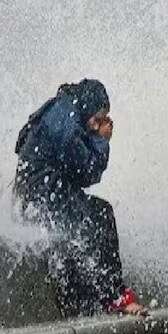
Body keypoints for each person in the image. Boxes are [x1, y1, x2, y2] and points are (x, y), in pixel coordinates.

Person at [13, 79, 147, 317]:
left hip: (37, 195)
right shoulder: (67, 121)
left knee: (80, 232)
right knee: (101, 215)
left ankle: (83, 306)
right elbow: (88, 171)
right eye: (97, 119)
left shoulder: (66, 109)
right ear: (88, 107)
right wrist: (101, 140)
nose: (96, 126)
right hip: (44, 196)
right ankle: (115, 297)